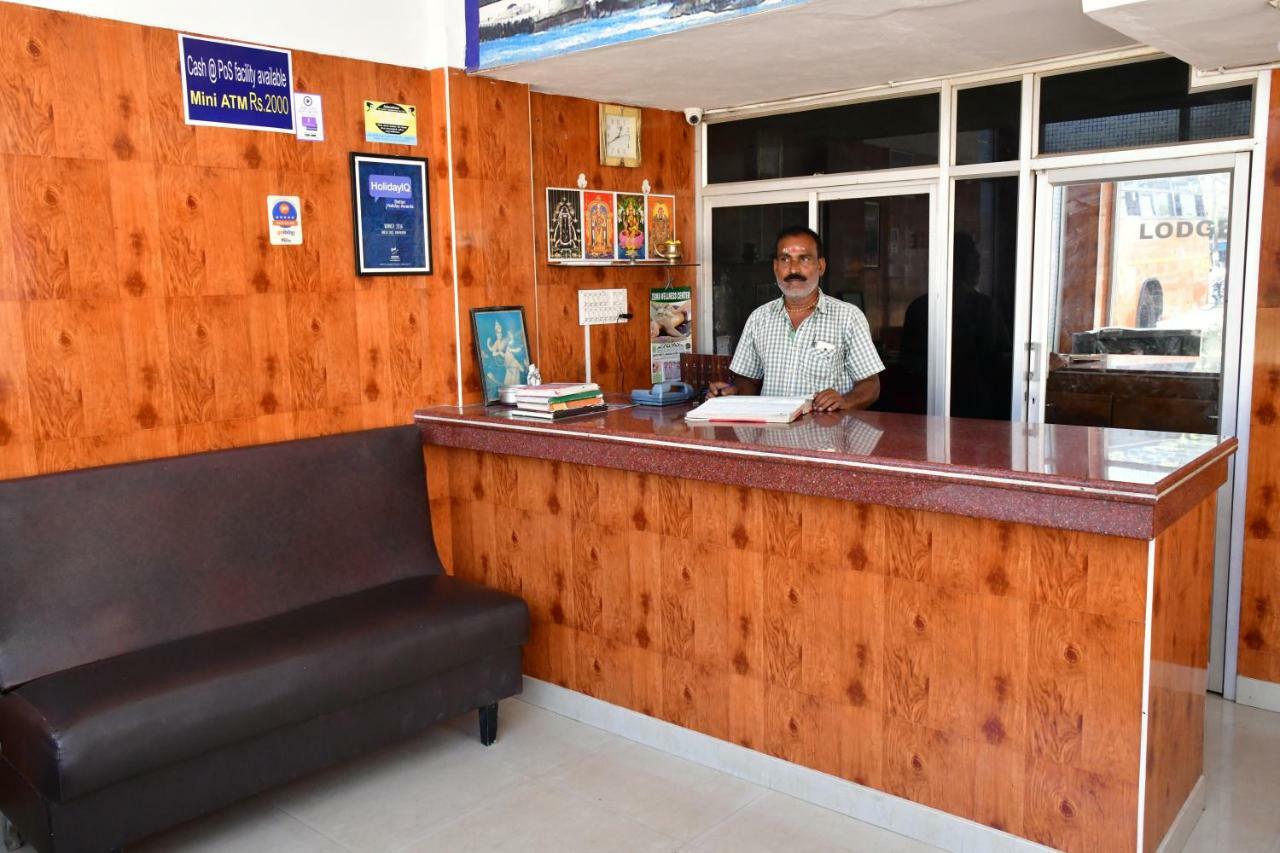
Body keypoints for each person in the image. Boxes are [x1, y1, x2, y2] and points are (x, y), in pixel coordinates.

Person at [708, 226, 883, 411]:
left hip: (825, 435)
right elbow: (748, 379)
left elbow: (871, 385)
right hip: (771, 435)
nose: (793, 269)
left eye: (804, 259)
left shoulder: (848, 317)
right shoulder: (759, 318)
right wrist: (733, 392)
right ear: (775, 267)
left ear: (821, 266)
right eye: (785, 259)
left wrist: (846, 401)